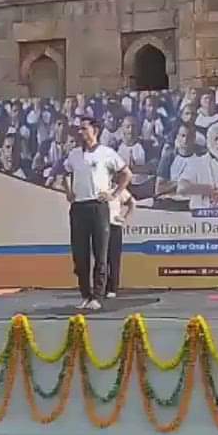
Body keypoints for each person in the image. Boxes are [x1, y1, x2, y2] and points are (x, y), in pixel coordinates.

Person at [64, 117, 133, 310]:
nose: (81, 133)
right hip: (79, 208)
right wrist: (68, 191)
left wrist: (114, 193)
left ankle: (97, 296)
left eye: (85, 129)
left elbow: (127, 174)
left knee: (100, 253)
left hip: (98, 207)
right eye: (79, 130)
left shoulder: (106, 153)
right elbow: (65, 174)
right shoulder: (74, 154)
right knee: (80, 255)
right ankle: (85, 294)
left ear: (95, 130)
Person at [105, 189, 136, 299]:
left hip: (114, 226)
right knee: (101, 259)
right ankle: (100, 287)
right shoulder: (96, 188)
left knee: (113, 259)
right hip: (98, 226)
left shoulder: (117, 189)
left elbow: (132, 202)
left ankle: (112, 288)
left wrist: (124, 218)